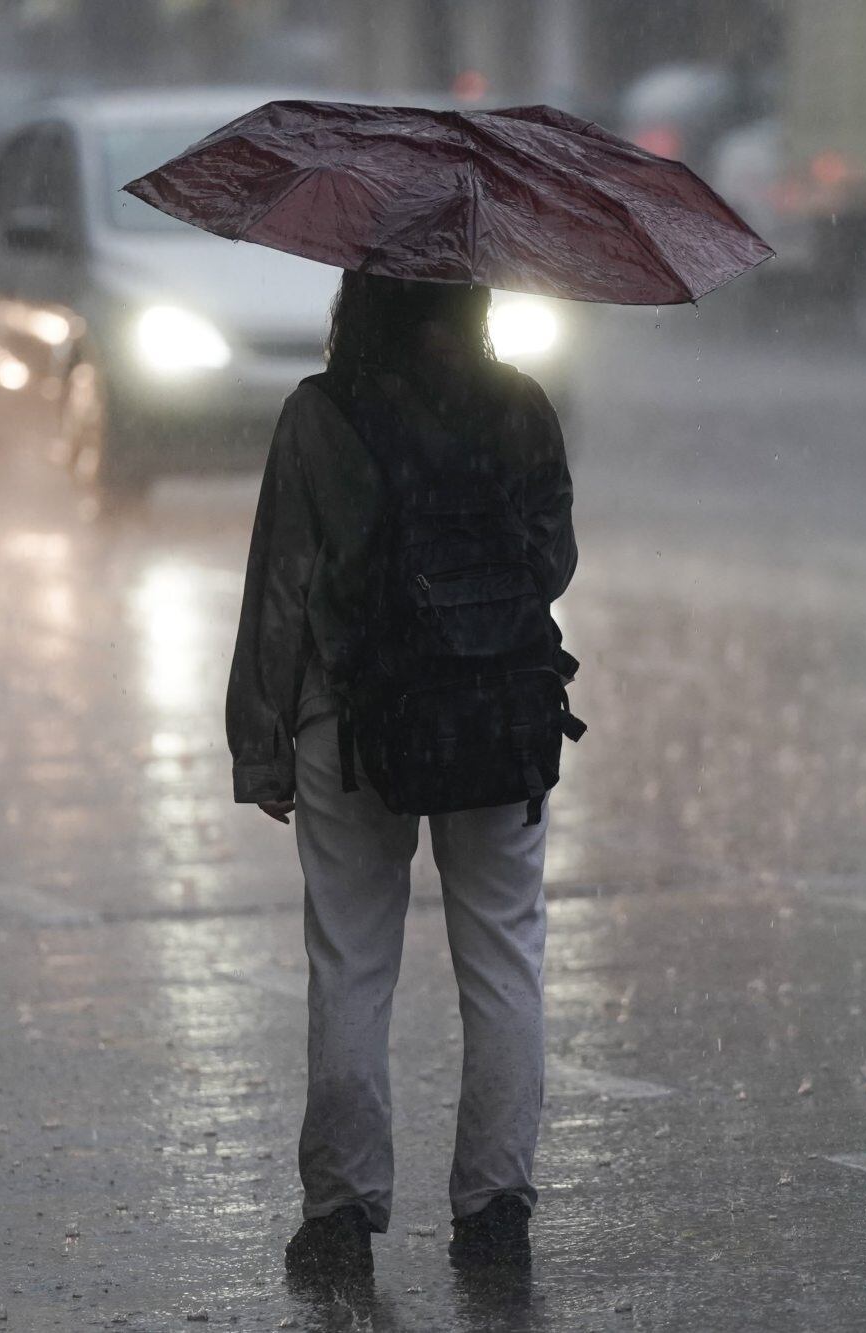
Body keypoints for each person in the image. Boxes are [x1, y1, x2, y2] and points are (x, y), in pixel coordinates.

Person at [226, 270, 577, 1286]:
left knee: (350, 962)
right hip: (500, 711)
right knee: (505, 957)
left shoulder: (321, 414)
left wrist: (262, 739)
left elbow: (282, 583)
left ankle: (340, 1215)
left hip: (355, 714)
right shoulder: (520, 405)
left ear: (359, 304)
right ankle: (495, 1206)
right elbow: (552, 561)